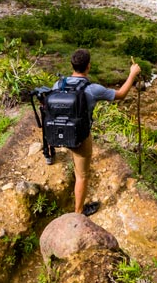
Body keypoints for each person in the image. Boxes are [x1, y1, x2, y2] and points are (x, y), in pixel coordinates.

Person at [57, 48, 141, 216]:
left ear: (72, 65)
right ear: (88, 66)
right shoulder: (93, 89)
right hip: (80, 137)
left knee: (76, 165)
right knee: (82, 175)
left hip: (59, 132)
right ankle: (79, 212)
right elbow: (121, 95)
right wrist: (132, 75)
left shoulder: (59, 84)